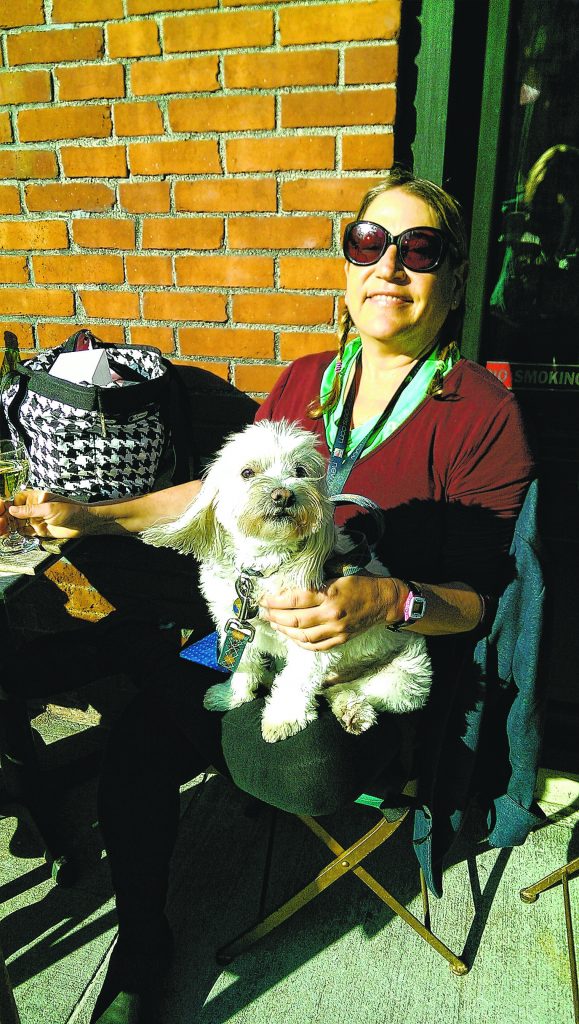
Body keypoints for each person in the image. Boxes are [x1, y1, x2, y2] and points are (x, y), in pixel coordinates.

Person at [0, 168, 535, 1024]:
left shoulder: (477, 410)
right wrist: (92, 516)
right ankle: (142, 944)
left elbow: (478, 600)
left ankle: (135, 657)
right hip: (254, 633)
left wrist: (386, 601)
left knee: (282, 764)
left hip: (358, 670)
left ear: (455, 275)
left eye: (418, 248)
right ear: (346, 262)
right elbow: (218, 497)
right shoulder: (305, 380)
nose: (388, 266)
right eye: (369, 243)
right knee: (139, 742)